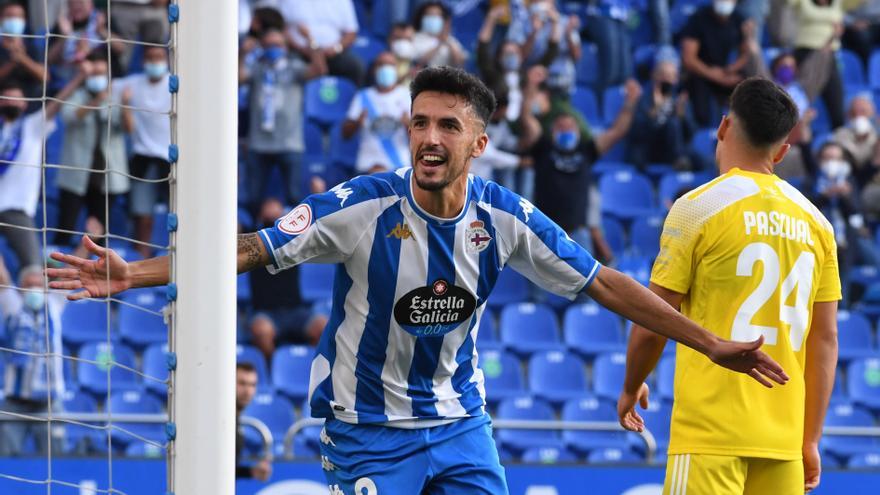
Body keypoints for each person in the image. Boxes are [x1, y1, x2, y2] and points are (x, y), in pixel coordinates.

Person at [47, 66, 787, 495]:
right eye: (420, 123)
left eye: (448, 126)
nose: (430, 138)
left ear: (479, 142)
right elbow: (248, 248)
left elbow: (607, 283)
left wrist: (710, 342)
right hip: (367, 434)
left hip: (461, 424)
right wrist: (136, 271)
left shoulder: (506, 216)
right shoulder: (359, 204)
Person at [617, 78, 840, 494]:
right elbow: (824, 339)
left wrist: (631, 386)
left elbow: (652, 321)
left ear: (722, 128)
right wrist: (810, 439)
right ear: (782, 151)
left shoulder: (697, 208)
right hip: (783, 445)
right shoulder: (817, 224)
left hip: (710, 436)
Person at [239, 27, 326, 214]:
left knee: (294, 198)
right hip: (259, 143)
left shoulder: (294, 68)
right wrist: (243, 52)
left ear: (286, 48)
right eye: (268, 45)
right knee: (253, 199)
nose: (273, 48)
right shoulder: (257, 68)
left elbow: (319, 70)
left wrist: (311, 41)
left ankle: (294, 239)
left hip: (289, 142)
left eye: (277, 45)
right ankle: (251, 239)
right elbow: (238, 77)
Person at [0, 74, 83, 269]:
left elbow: (56, 105)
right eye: (6, 98)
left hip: (17, 208)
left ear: (25, 104)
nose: (11, 102)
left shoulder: (33, 126)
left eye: (16, 99)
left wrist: (79, 78)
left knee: (33, 268)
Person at [54, 49, 130, 247]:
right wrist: (96, 101)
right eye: (93, 74)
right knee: (64, 229)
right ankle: (55, 272)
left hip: (107, 177)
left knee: (100, 236)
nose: (98, 78)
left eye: (101, 74)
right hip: (76, 175)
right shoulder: (76, 95)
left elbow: (128, 129)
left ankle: (98, 275)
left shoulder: (117, 98)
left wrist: (126, 105)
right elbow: (69, 117)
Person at [0, 258, 68, 455]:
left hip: (49, 401)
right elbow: (2, 276)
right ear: (20, 288)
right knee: (5, 459)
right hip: (15, 401)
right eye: (28, 285)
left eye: (38, 285)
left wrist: (91, 238)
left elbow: (71, 271)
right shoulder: (13, 305)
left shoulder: (54, 305)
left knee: (56, 460)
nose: (33, 289)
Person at [115, 45, 172, 257]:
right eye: (150, 58)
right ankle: (142, 257)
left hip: (172, 160)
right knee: (142, 216)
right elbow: (103, 84)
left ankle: (180, 256)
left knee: (180, 214)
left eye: (158, 57)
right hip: (142, 158)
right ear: (142, 61)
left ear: (166, 59)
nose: (154, 62)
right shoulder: (131, 84)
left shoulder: (176, 84)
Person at [680, 0, 754, 126]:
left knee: (750, 88)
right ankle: (703, 132)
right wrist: (715, 75)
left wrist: (733, 68)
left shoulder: (739, 19)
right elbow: (688, 59)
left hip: (728, 73)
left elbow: (746, 54)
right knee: (700, 102)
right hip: (703, 73)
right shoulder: (698, 19)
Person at [341, 52, 411, 174]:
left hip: (399, 166)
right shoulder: (362, 96)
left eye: (390, 65)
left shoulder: (407, 96)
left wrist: (408, 125)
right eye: (381, 64)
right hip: (367, 166)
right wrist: (357, 122)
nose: (385, 68)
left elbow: (419, 136)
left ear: (396, 69)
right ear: (374, 70)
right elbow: (345, 134)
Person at [278, 0, 364, 86]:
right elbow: (281, 28)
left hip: (334, 53)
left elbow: (351, 33)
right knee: (286, 67)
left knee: (354, 67)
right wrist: (301, 48)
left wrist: (336, 49)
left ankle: (353, 98)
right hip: (299, 51)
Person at [0, 1, 48, 101]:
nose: (14, 20)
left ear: (24, 20)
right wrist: (11, 64)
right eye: (10, 16)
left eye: (18, 17)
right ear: (1, 19)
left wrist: (23, 60)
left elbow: (45, 77)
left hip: (31, 105)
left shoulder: (33, 48)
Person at [235, 362, 272, 481]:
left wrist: (250, 472)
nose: (248, 391)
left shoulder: (235, 419)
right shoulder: (220, 421)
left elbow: (225, 469)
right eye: (242, 383)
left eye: (252, 385)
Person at [410, 1, 467, 69]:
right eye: (430, 15)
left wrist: (448, 42)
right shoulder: (415, 37)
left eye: (437, 15)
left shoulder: (450, 39)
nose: (433, 18)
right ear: (422, 17)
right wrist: (439, 44)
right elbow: (418, 63)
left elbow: (460, 63)